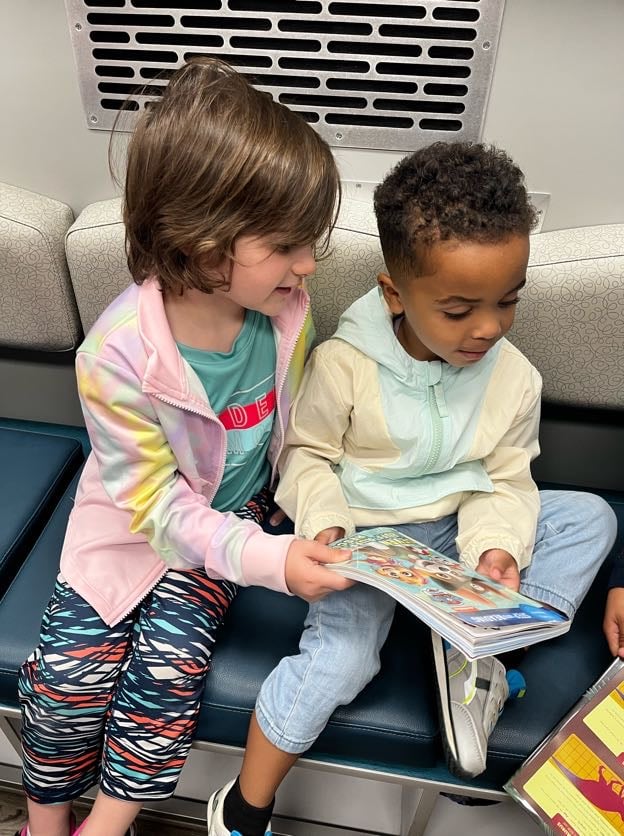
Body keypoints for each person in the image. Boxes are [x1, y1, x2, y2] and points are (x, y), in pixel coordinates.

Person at [206, 141, 619, 836]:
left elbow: (505, 479)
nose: (488, 327)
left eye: (506, 302)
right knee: (341, 660)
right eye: (459, 310)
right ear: (395, 292)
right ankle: (244, 808)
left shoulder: (514, 377)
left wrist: (497, 551)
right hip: (367, 539)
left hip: (455, 535)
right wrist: (330, 529)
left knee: (589, 518)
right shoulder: (345, 364)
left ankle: (482, 649)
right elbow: (306, 460)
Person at [15, 57, 354, 836]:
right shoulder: (116, 354)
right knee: (67, 679)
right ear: (202, 245)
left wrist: (306, 522)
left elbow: (297, 433)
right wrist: (272, 563)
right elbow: (156, 507)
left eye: (310, 243)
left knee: (165, 677)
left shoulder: (285, 314)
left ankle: (107, 825)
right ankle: (42, 817)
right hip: (132, 526)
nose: (307, 265)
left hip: (229, 529)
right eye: (287, 245)